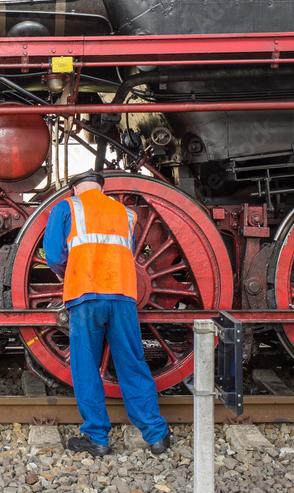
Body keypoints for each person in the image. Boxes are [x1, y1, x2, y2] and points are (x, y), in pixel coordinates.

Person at [42, 170, 170, 457]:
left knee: (86, 367)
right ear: (103, 188)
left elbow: (52, 254)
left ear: (74, 188)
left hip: (85, 297)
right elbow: (131, 249)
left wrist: (70, 274)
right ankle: (157, 436)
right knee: (133, 363)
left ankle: (97, 437)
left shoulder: (67, 206)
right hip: (123, 296)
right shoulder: (125, 213)